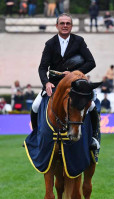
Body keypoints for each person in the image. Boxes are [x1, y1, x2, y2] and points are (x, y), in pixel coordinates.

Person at [32, 13, 99, 150]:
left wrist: (75, 73)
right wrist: (46, 83)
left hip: (74, 85)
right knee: (35, 105)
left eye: (68, 23)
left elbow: (91, 63)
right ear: (57, 26)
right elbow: (42, 68)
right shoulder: (50, 44)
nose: (65, 26)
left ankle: (93, 137)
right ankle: (35, 136)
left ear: (71, 26)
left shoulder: (79, 41)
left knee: (91, 106)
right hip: (54, 84)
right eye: (62, 23)